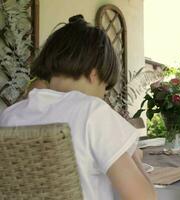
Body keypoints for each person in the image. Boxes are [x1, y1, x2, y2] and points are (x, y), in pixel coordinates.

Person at [0, 15, 156, 200]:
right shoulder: (92, 112)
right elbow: (142, 198)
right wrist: (134, 157)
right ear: (94, 74)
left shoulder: (10, 115)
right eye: (105, 88)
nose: (103, 94)